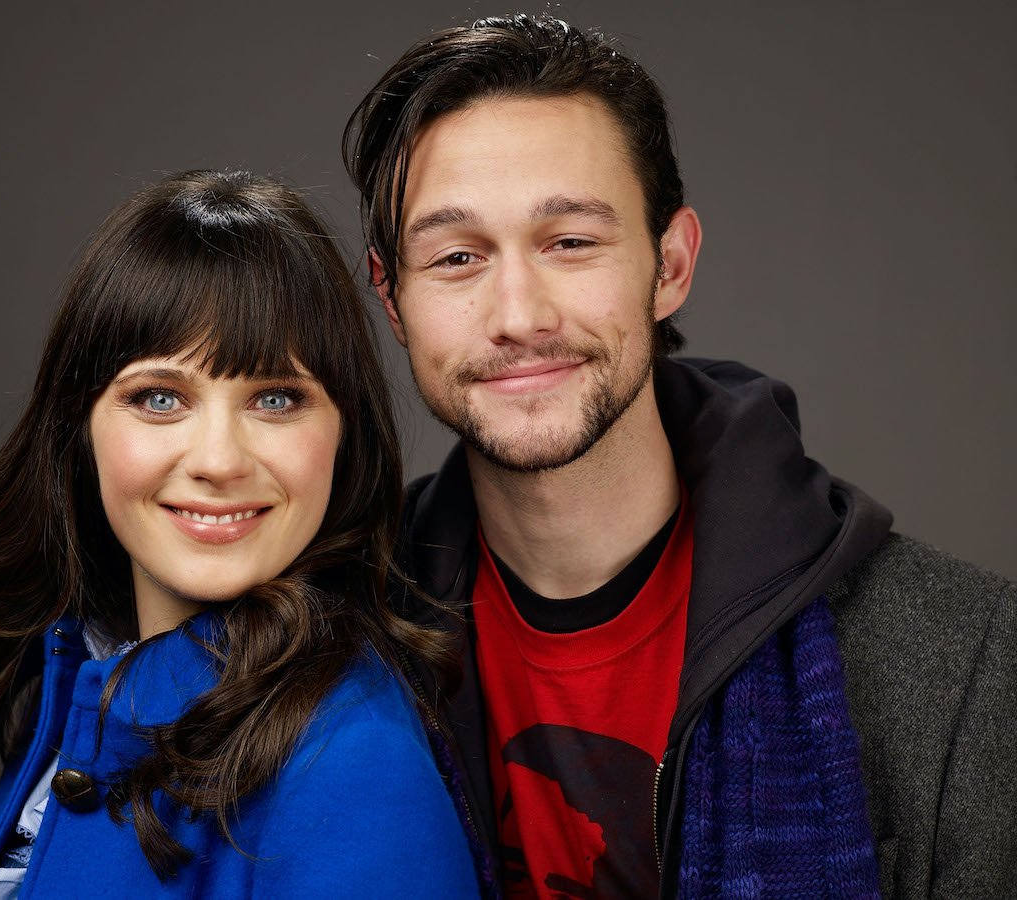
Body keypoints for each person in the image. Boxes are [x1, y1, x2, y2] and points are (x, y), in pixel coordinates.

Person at [343, 13, 1016, 899]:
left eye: (571, 242)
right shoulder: (334, 638)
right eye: (457, 257)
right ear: (393, 301)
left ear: (670, 264)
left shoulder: (965, 657)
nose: (519, 314)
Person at [0, 171, 481, 898]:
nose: (218, 461)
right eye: (160, 398)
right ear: (81, 428)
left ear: (344, 434)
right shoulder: (82, 678)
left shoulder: (356, 765)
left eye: (275, 398)